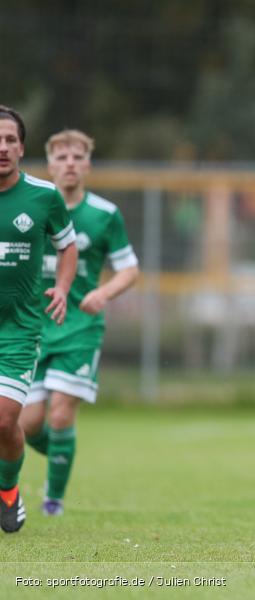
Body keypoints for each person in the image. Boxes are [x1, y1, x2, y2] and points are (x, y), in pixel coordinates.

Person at [17, 129, 139, 516]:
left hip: (80, 328)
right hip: (32, 326)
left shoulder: (105, 214)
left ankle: (53, 500)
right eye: (62, 157)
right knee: (27, 424)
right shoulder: (32, 206)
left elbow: (129, 269)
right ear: (49, 164)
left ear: (87, 165)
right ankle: (63, 450)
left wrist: (104, 293)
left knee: (60, 412)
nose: (69, 164)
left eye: (77, 157)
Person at [0, 106, 78, 533]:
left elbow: (68, 246)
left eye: (10, 139)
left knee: (4, 421)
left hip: (19, 328)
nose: (2, 147)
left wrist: (62, 288)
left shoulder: (43, 196)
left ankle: (8, 489)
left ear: (21, 147)